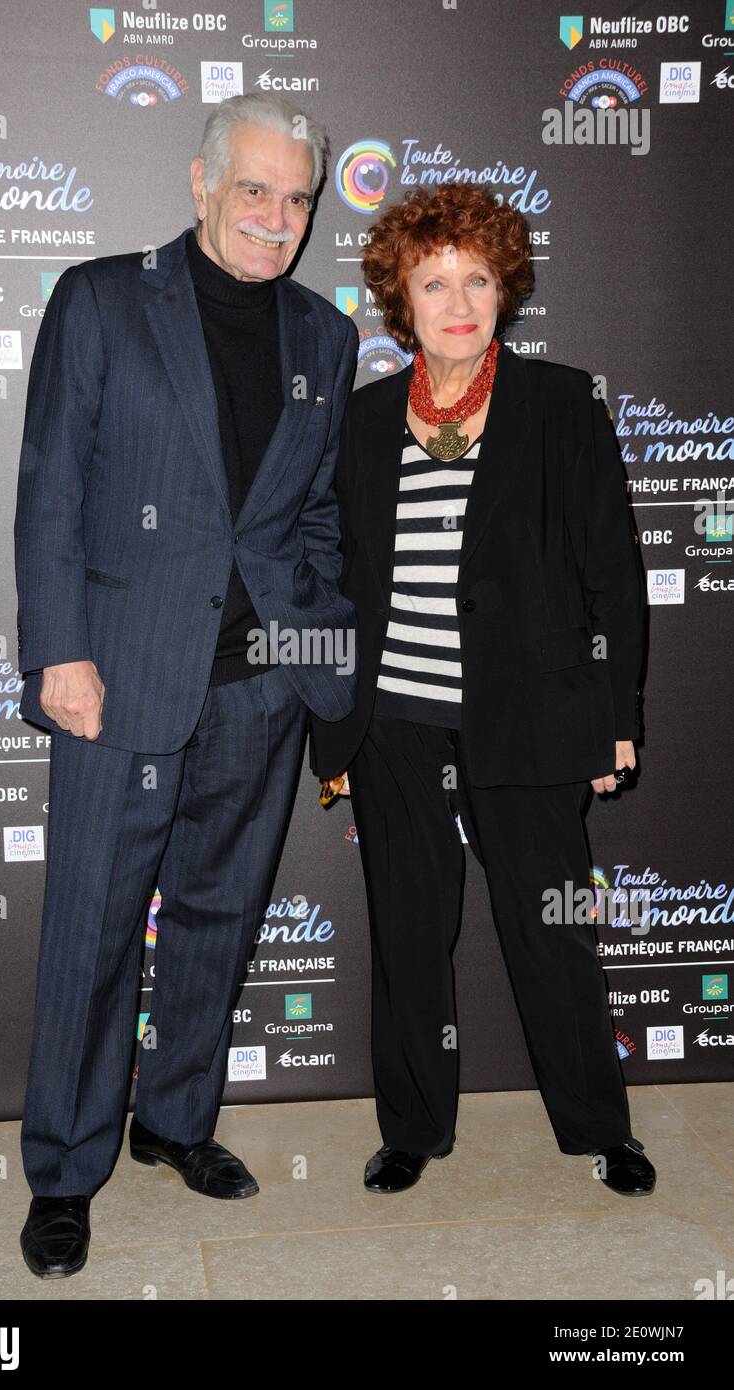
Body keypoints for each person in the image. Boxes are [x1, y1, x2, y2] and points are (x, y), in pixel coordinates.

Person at [13, 92, 359, 1277]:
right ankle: (64, 1171)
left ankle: (175, 1120)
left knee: (217, 925)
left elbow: (310, 528)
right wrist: (58, 652)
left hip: (256, 694)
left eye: (297, 197)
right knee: (93, 937)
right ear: (200, 183)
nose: (275, 216)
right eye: (253, 189)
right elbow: (51, 487)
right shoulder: (103, 299)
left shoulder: (323, 333)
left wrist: (318, 682)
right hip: (117, 685)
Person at [309, 183, 655, 1197]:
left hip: (530, 718)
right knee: (408, 935)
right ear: (399, 300)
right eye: (432, 282)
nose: (456, 302)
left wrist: (614, 718)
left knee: (549, 930)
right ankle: (411, 1128)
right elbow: (335, 577)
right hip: (395, 724)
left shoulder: (560, 403)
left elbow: (612, 571)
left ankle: (598, 1127)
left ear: (502, 289)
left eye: (476, 279)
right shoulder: (364, 421)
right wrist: (335, 726)